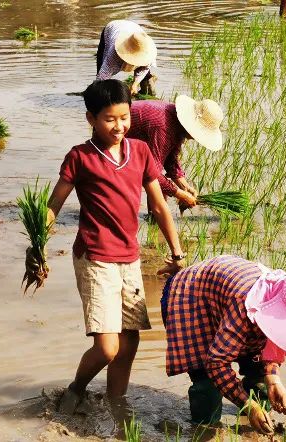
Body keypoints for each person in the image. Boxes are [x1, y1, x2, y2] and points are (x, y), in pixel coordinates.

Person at [45, 79, 187, 413]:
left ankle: (117, 405)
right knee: (108, 347)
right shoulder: (79, 158)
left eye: (124, 117)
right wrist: (37, 244)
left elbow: (158, 206)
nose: (119, 126)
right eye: (109, 119)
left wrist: (177, 253)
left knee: (130, 342)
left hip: (129, 259)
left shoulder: (139, 151)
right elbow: (53, 205)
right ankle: (76, 388)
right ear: (91, 119)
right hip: (95, 258)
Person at [160, 255, 286, 433]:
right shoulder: (244, 305)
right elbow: (216, 363)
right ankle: (204, 429)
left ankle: (255, 428)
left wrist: (273, 380)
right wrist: (248, 405)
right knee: (208, 388)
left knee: (260, 383)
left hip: (225, 304)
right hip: (191, 300)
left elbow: (276, 339)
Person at [128, 95, 225, 209]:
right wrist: (179, 194)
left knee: (160, 191)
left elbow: (171, 160)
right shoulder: (163, 127)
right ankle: (154, 220)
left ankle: (154, 222)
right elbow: (153, 174)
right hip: (108, 143)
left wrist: (185, 187)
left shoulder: (175, 121)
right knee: (158, 189)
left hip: (125, 145)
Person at [96, 20, 157, 96]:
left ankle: (146, 86)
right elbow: (103, 75)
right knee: (101, 69)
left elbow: (145, 68)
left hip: (134, 29)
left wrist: (135, 84)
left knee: (143, 66)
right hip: (113, 28)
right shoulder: (114, 51)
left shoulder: (147, 49)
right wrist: (101, 91)